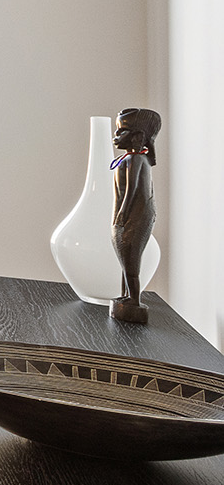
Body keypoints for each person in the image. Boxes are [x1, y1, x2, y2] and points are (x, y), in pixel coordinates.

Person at [111, 107, 162, 325]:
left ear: (138, 137)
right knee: (125, 259)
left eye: (122, 132)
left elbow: (131, 191)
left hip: (134, 217)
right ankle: (127, 296)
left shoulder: (134, 160)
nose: (116, 136)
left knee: (130, 260)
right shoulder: (130, 159)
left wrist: (122, 214)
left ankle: (134, 298)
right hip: (128, 217)